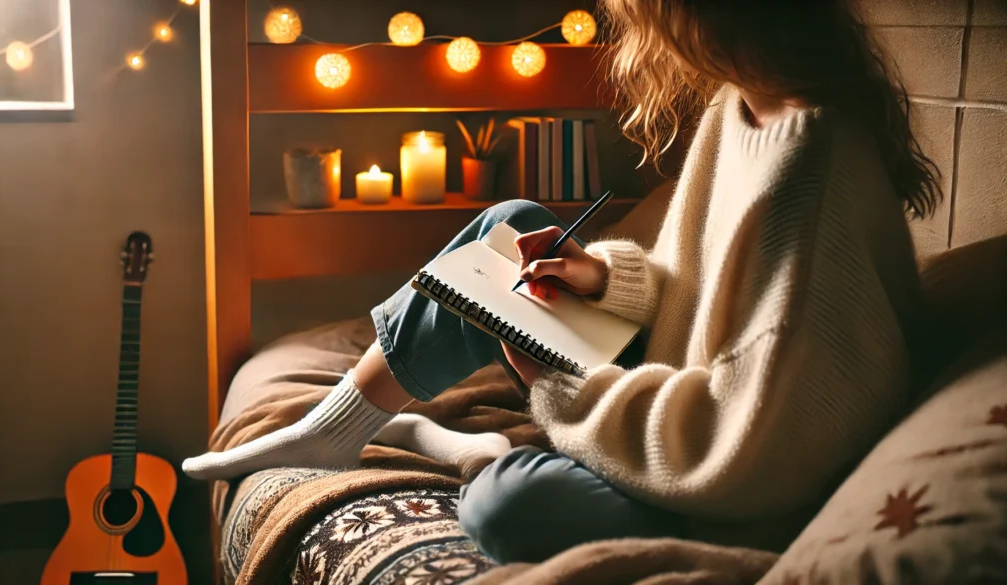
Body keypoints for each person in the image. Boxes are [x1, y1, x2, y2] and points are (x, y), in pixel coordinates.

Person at [183, 0, 941, 564]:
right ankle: (336, 428)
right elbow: (695, 287)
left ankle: (462, 450)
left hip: (749, 486)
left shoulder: (810, 173)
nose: (630, 23)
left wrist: (560, 387)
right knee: (509, 228)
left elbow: (749, 443)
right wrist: (599, 274)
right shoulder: (740, 109)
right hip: (682, 401)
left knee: (515, 503)